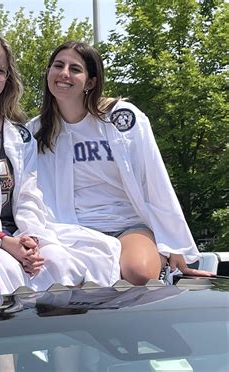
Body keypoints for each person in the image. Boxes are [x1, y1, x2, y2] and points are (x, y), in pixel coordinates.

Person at [0, 32, 121, 293]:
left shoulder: (18, 135)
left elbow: (29, 196)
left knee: (73, 259)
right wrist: (5, 242)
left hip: (20, 234)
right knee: (5, 270)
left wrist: (31, 239)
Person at [27, 41, 213, 285]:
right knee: (53, 275)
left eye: (75, 69)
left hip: (127, 226)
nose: (64, 73)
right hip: (69, 232)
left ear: (91, 82)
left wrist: (174, 245)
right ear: (48, 73)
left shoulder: (120, 119)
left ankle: (158, 261)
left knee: (139, 274)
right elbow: (26, 194)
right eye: (58, 65)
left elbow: (154, 179)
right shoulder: (34, 132)